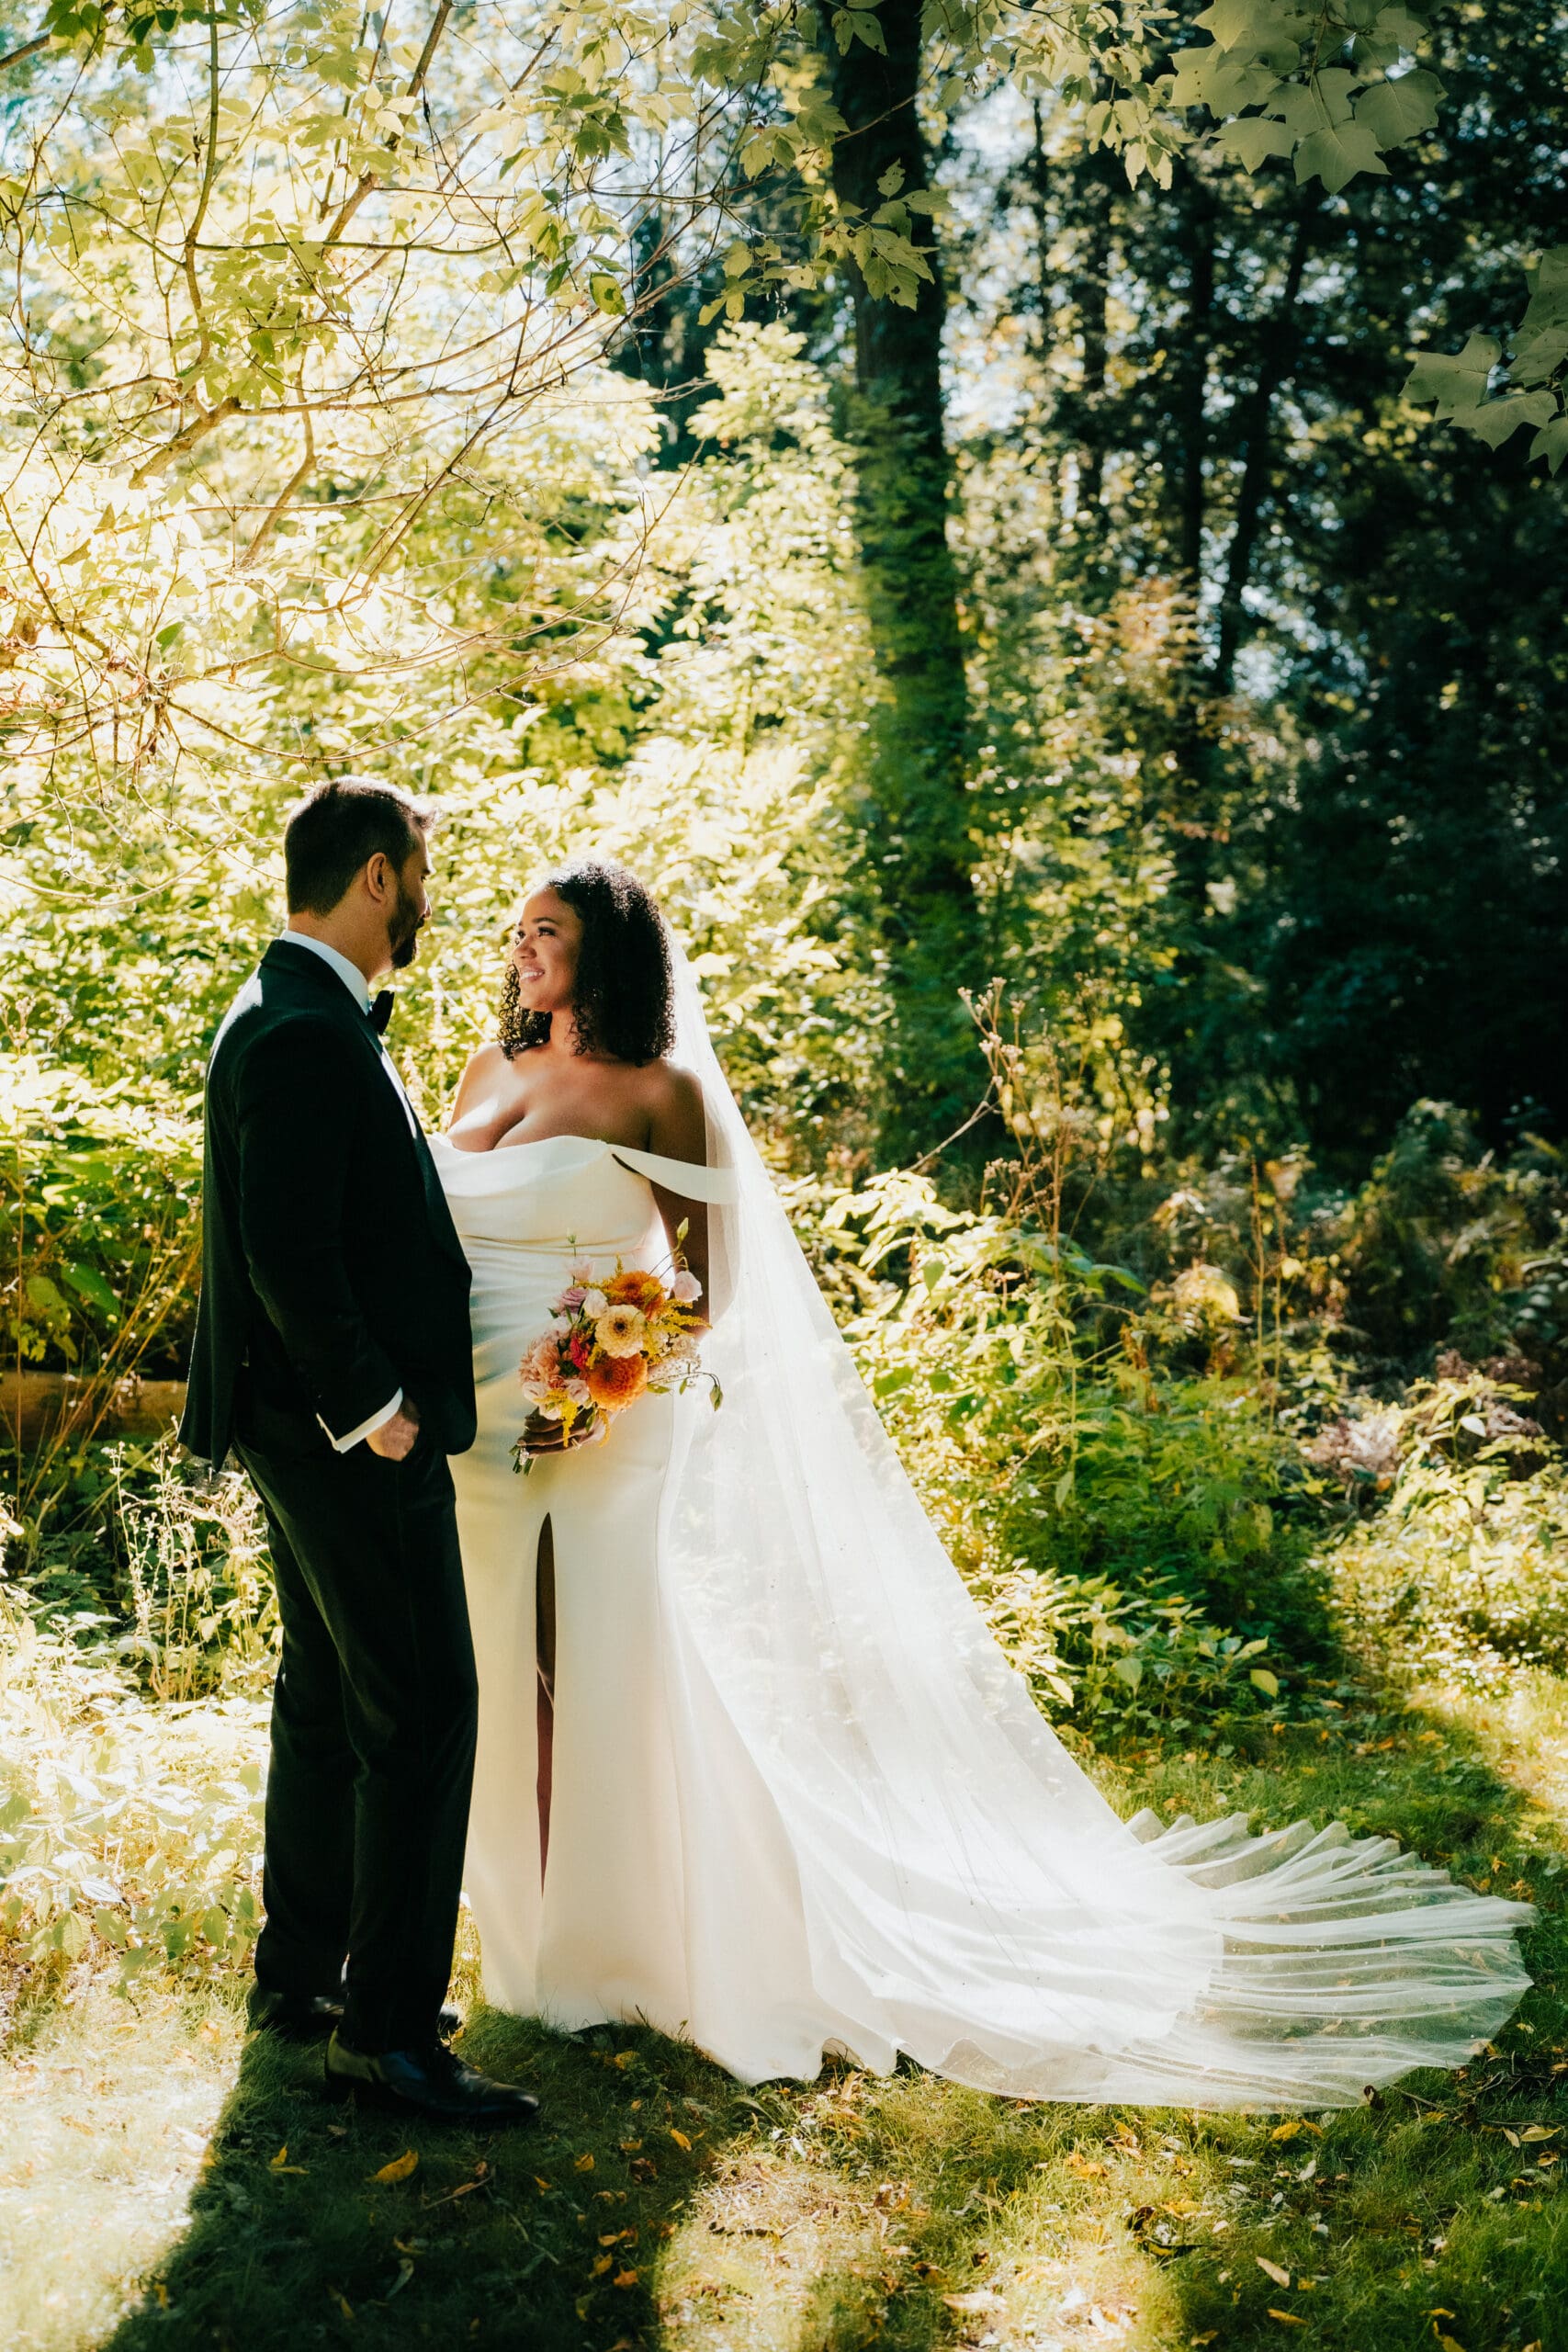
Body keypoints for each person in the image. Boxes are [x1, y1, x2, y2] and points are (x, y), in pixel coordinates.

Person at [435, 853, 1534, 2110]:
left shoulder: (662, 1090)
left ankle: (624, 1943)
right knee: (486, 1671)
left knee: (605, 1672)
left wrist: (604, 1376)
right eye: (520, 931)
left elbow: (705, 1282)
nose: (524, 950)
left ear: (610, 952)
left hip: (600, 1424)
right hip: (471, 1419)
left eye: (551, 932)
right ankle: (521, 1939)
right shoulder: (486, 1071)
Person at [181, 779, 538, 2125]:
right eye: (423, 875)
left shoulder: (293, 1007)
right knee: (430, 1704)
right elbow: (285, 1250)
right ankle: (385, 2034)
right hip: (344, 1437)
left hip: (302, 1428)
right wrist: (376, 1408)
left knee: (328, 1698)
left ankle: (306, 1975)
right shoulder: (305, 1031)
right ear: (380, 876)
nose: (430, 902)